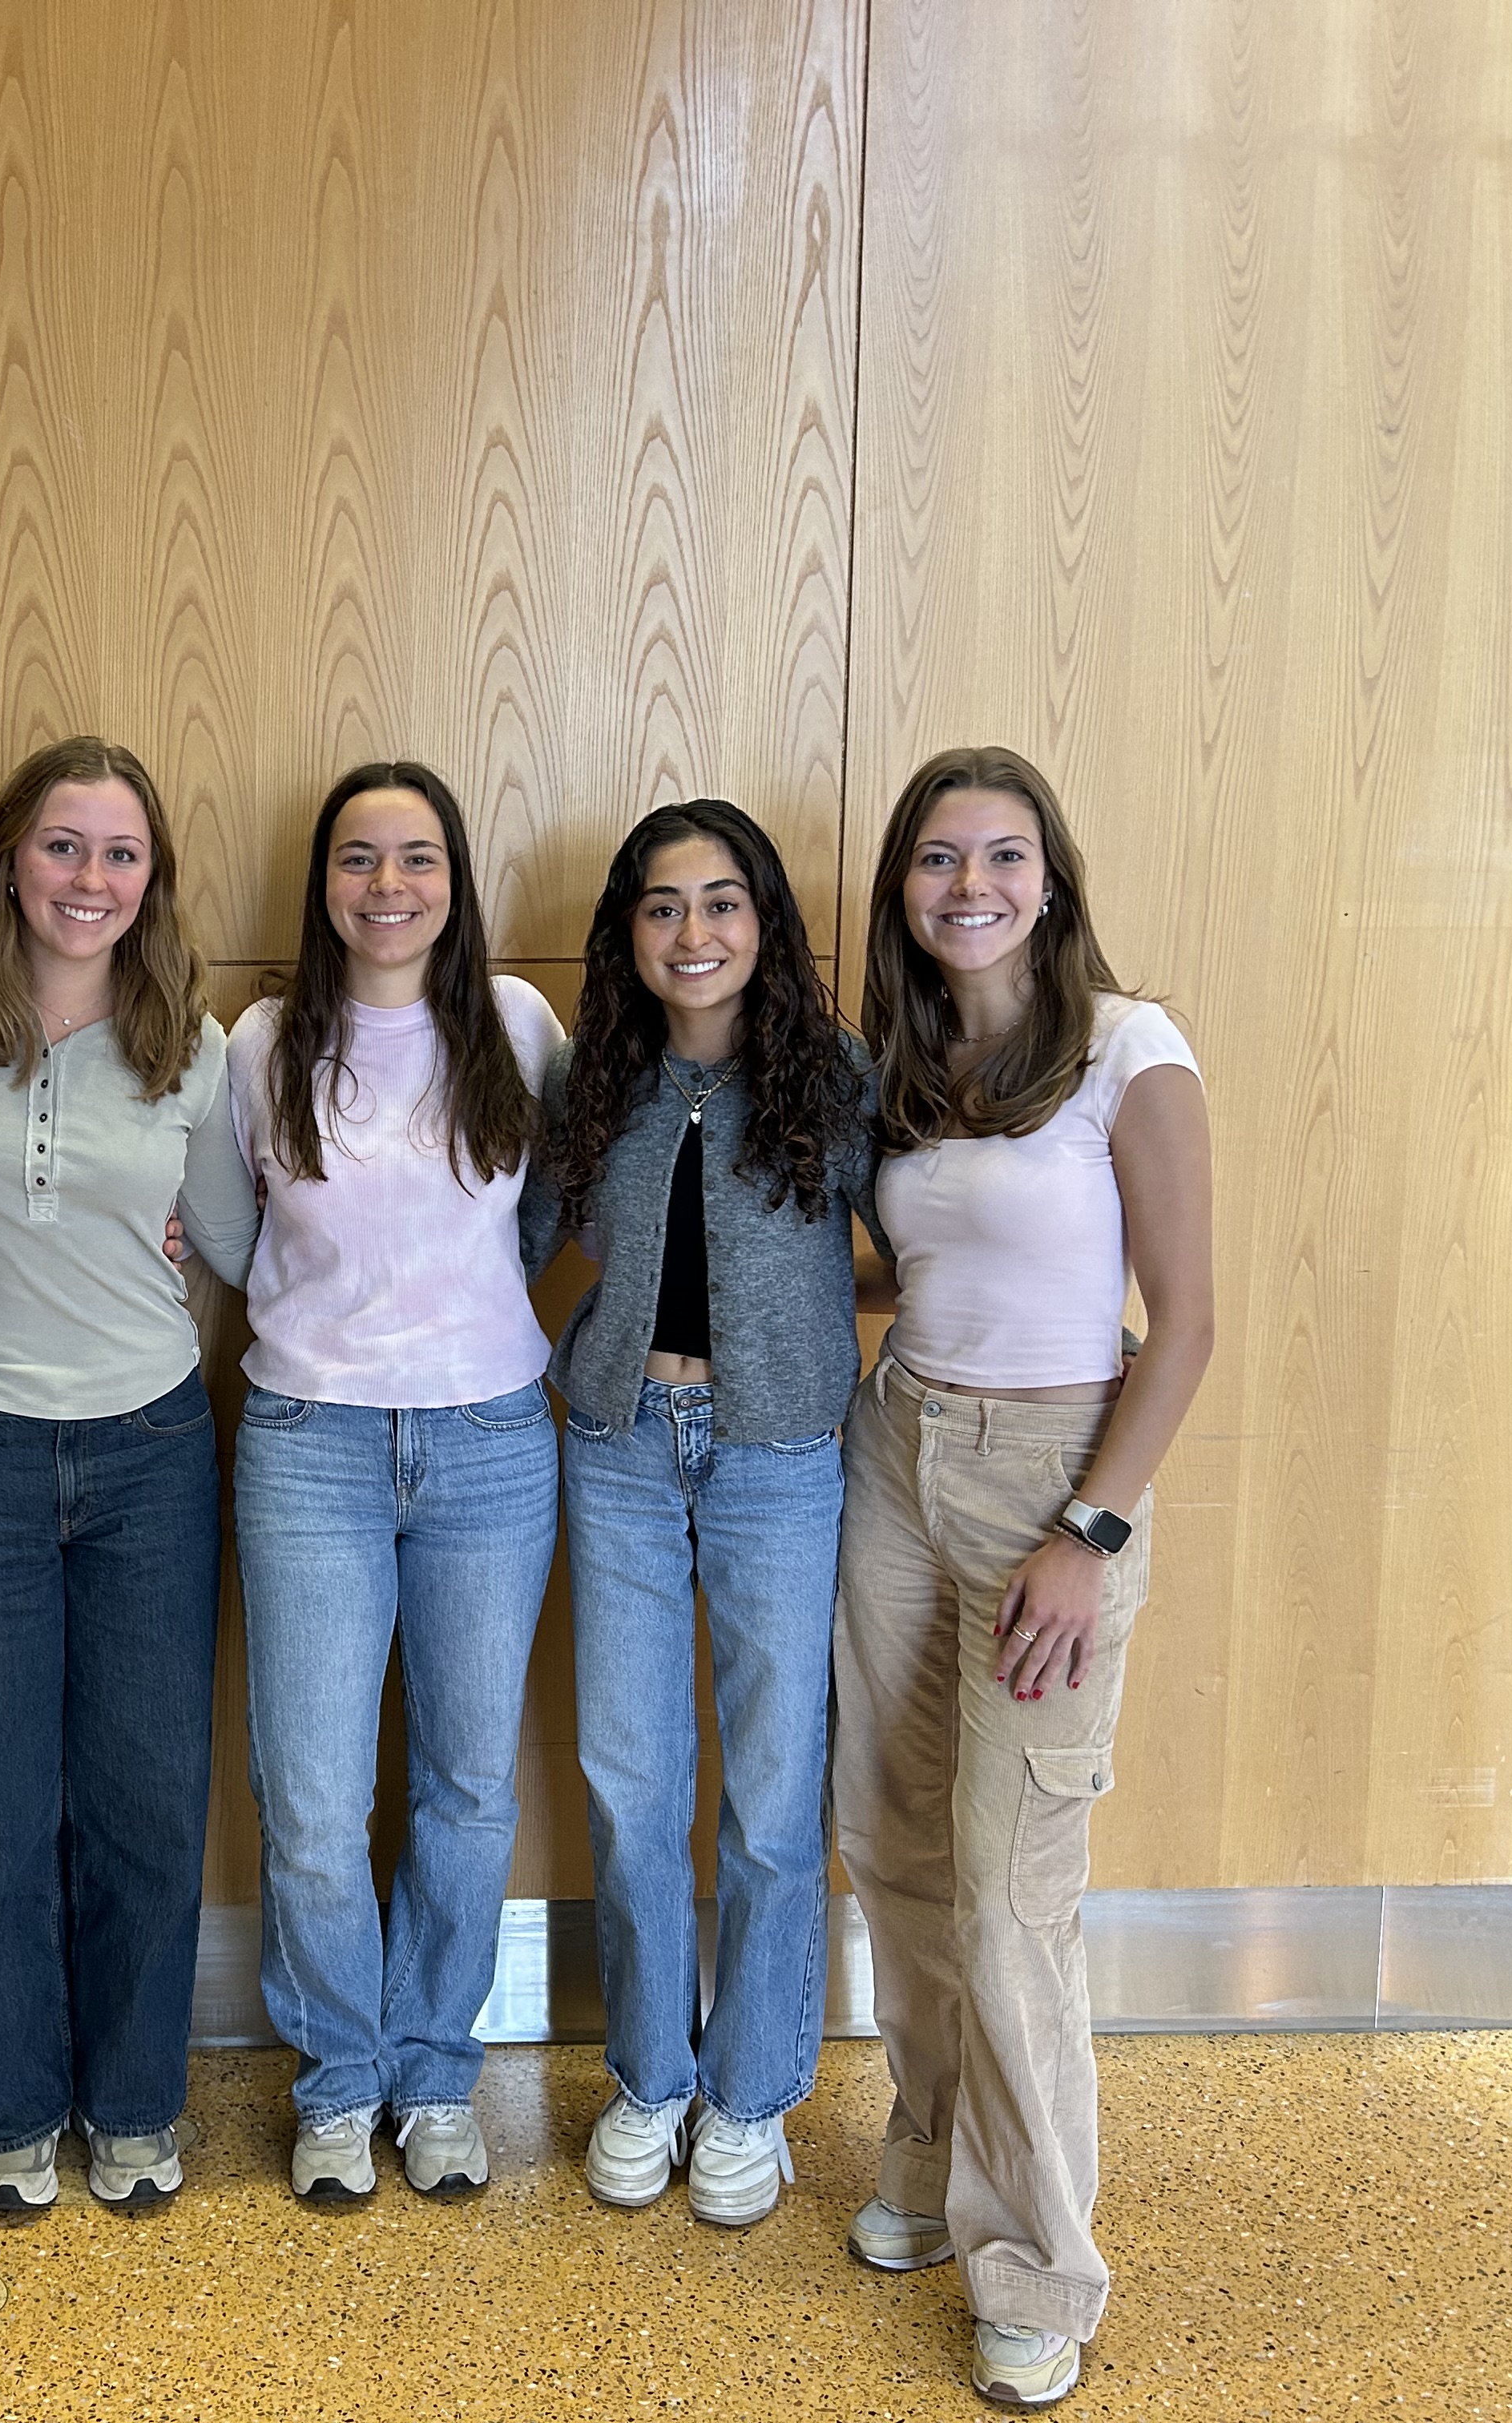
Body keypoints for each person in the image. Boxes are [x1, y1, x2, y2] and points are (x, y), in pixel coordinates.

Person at [831, 744, 1213, 2411]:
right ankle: (929, 2157)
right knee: (893, 1846)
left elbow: (1185, 1326)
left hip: (1054, 1478)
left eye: (999, 856)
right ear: (902, 890)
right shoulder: (905, 1067)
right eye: (937, 858)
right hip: (895, 1448)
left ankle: (1041, 2263)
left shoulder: (1130, 1047)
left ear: (1050, 879)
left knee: (1009, 1892)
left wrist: (1090, 1530)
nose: (967, 885)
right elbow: (913, 1262)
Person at [0, 736, 258, 2215]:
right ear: (8, 856)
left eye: (121, 853)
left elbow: (231, 1244)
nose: (90, 879)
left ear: (151, 878)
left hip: (150, 1453)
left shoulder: (190, 1043)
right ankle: (10, 2114)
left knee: (147, 1807)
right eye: (62, 845)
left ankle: (136, 2105)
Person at [517, 800, 881, 2230]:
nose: (693, 931)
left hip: (780, 1452)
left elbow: (921, 1237)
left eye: (722, 901)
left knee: (775, 1791)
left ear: (764, 921)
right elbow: (509, 1235)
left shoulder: (831, 1077)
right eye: (662, 905)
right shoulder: (592, 1077)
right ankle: (651, 2076)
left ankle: (751, 2092)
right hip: (618, 1442)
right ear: (627, 931)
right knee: (630, 1780)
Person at [225, 761, 566, 2203]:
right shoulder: (261, 1042)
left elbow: (542, 1220)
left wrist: (457, 1328)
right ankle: (337, 2078)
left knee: (467, 1785)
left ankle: (433, 2072)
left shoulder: (518, 1024)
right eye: (359, 858)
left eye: (417, 857)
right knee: (310, 1794)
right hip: (310, 1441)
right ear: (323, 884)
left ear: (454, 879)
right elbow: (224, 1224)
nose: (388, 886)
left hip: (491, 1438)